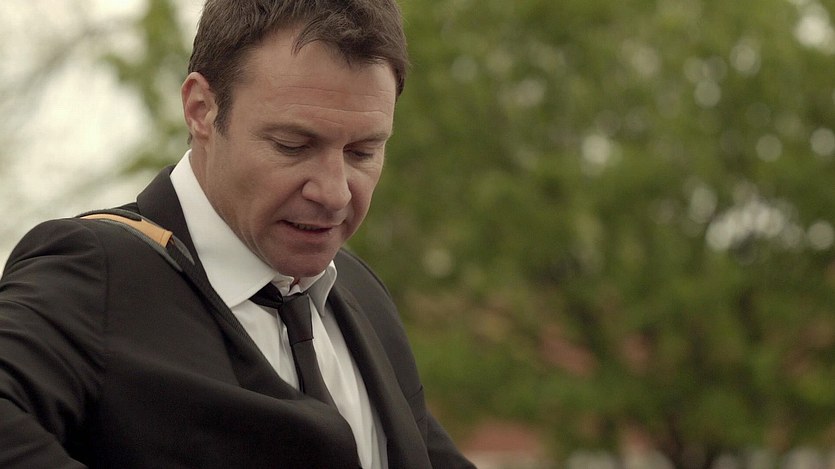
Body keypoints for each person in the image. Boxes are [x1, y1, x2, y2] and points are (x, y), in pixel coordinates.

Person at [0, 1, 475, 467]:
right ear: (201, 109)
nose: (334, 193)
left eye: (363, 152)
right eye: (293, 145)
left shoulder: (361, 292)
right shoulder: (96, 269)